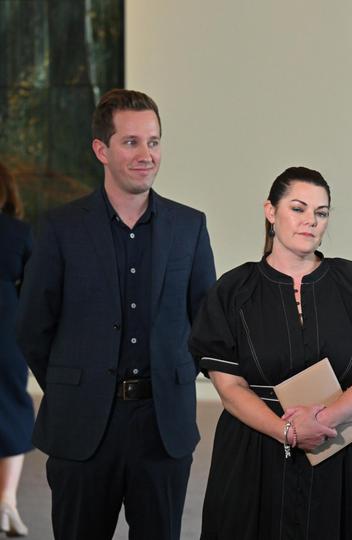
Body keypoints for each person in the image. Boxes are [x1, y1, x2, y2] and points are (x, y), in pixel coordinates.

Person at [15, 89, 216, 540]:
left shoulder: (190, 226)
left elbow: (207, 322)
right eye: (131, 142)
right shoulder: (59, 228)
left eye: (154, 141)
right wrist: (75, 382)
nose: (146, 154)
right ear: (101, 149)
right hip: (82, 426)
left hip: (164, 429)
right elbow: (32, 327)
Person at [189, 166, 352, 540]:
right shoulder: (233, 290)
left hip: (340, 444)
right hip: (256, 449)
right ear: (270, 211)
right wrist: (288, 431)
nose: (310, 221)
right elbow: (230, 388)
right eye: (298, 208)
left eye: (321, 212)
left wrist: (325, 418)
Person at [0, 163, 33, 537]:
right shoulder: (19, 233)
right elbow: (34, 291)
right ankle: (6, 502)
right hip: (6, 331)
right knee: (12, 408)